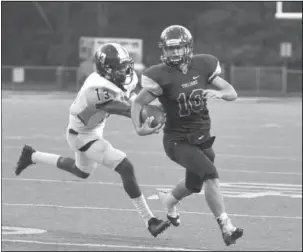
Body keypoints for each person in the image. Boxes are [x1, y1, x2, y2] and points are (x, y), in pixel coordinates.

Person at [14, 43, 170, 238]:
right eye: (119, 67)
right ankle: (150, 221)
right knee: (125, 167)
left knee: (82, 171)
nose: (125, 70)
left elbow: (131, 101)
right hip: (81, 135)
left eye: (125, 65)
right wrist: (145, 117)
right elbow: (124, 109)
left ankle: (32, 156)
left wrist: (152, 107)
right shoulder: (96, 89)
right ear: (107, 69)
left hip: (93, 129)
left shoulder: (124, 79)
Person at [131, 25, 243, 246]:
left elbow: (232, 93)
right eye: (169, 49)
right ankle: (226, 226)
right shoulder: (159, 75)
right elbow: (137, 102)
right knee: (210, 174)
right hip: (177, 141)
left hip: (202, 136)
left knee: (194, 184)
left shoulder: (203, 65)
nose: (173, 53)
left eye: (178, 48)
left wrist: (218, 93)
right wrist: (138, 127)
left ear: (188, 47)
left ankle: (170, 201)